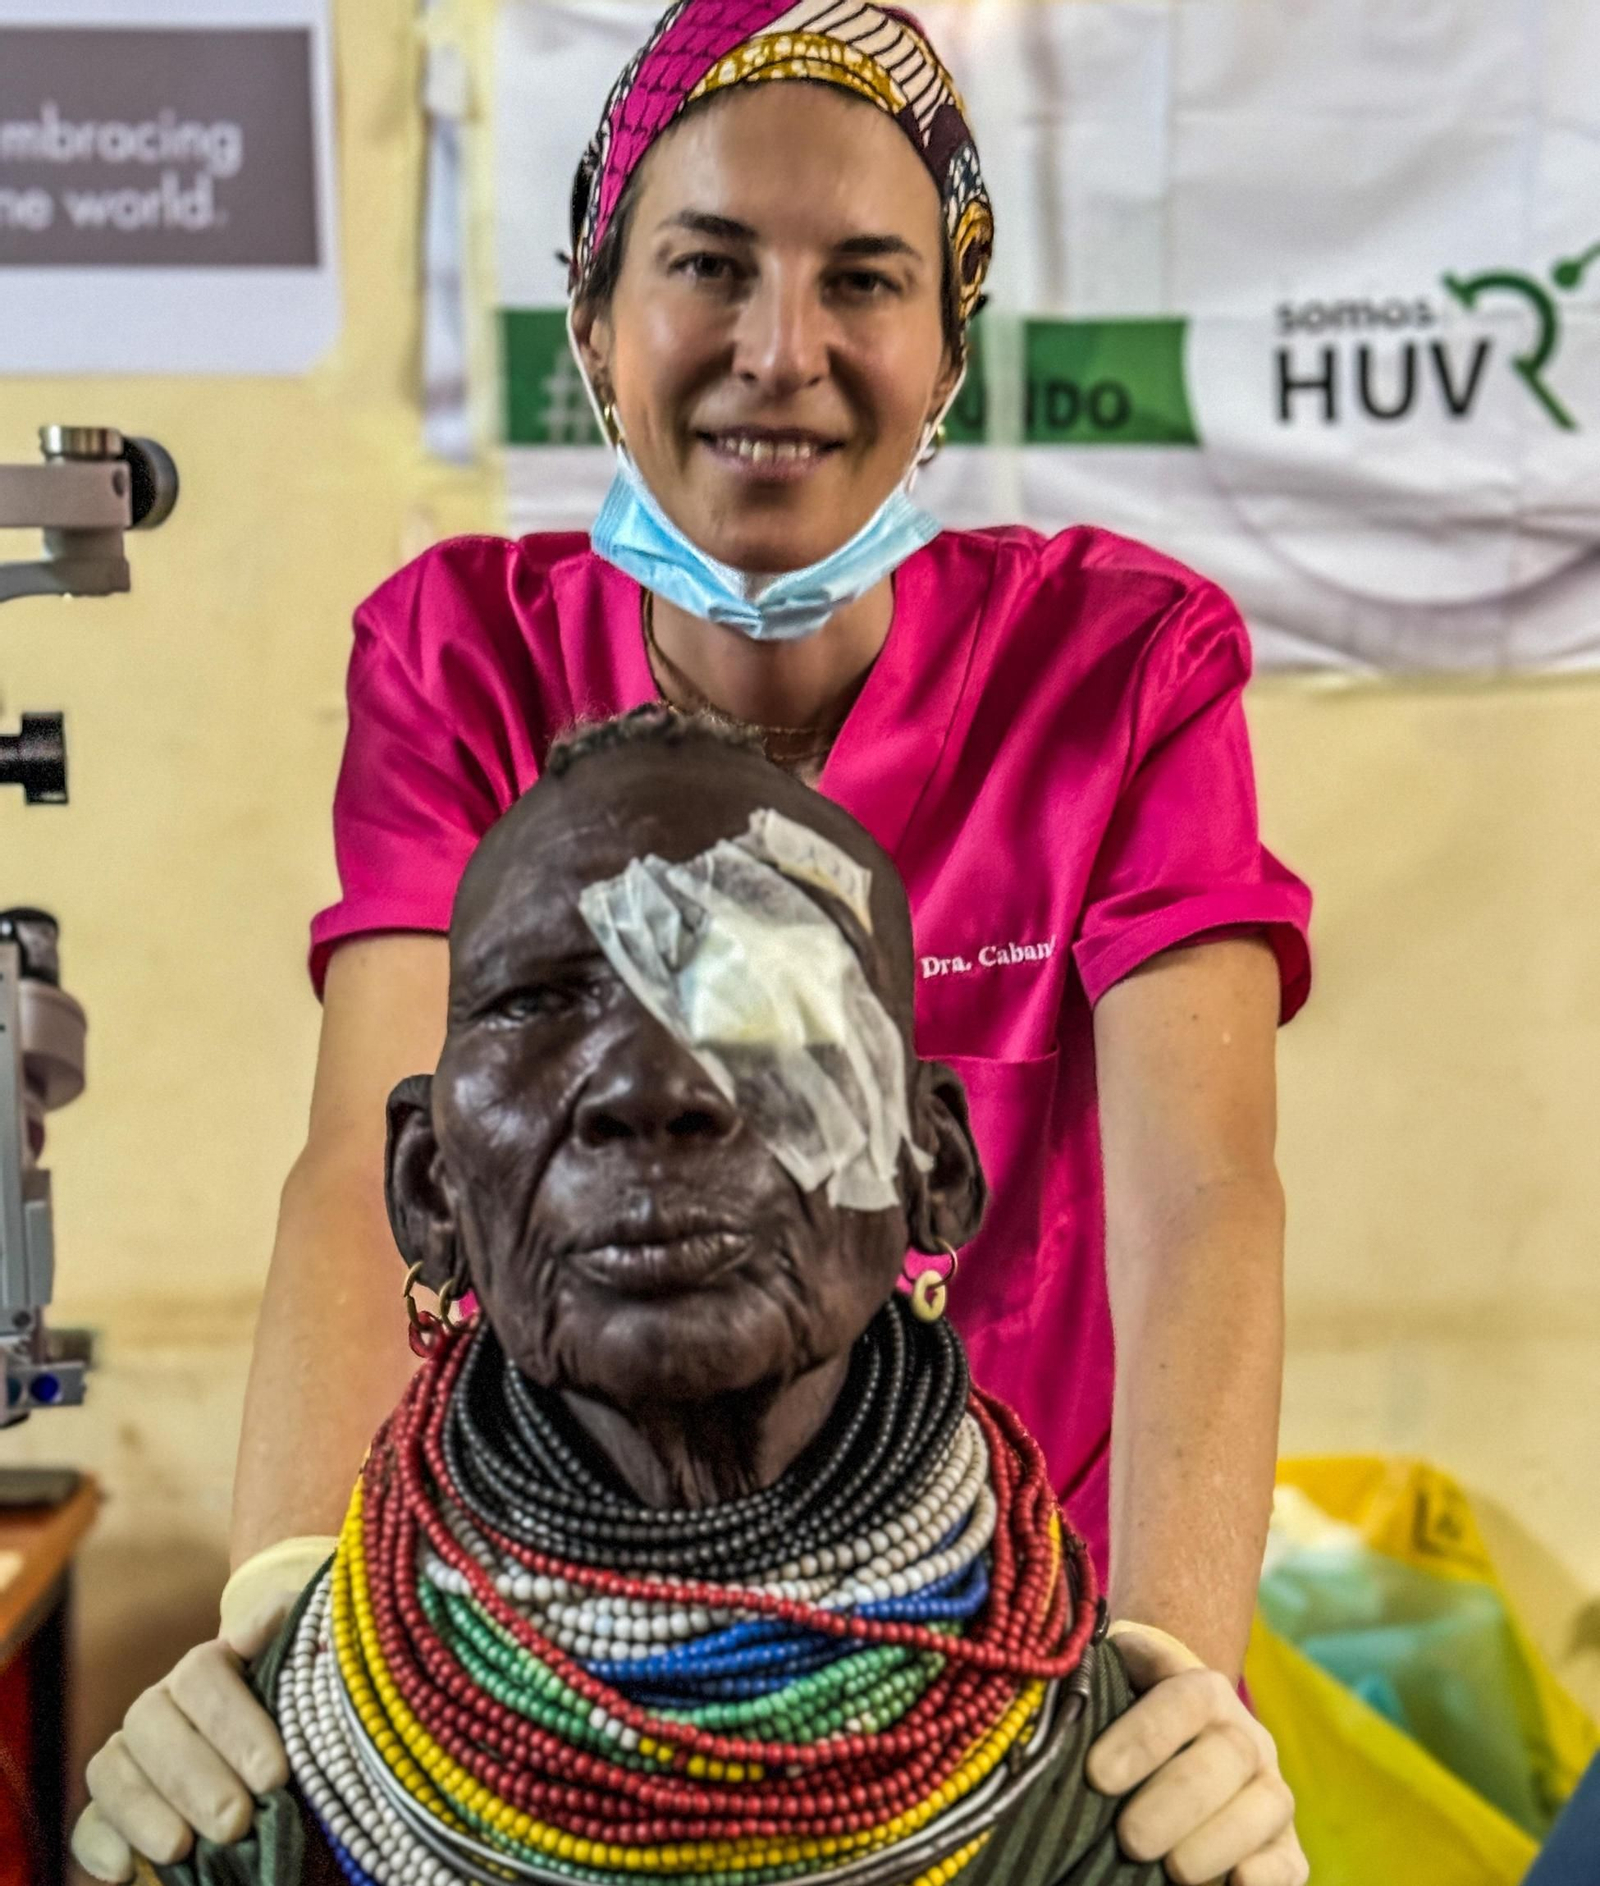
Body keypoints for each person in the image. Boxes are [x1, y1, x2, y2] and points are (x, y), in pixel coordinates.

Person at [75, 3, 1312, 1881]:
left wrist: (1163, 1687)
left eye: (864, 280)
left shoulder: (1118, 668)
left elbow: (1202, 1194)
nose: (781, 351)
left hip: (995, 1661)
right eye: (709, 266)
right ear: (593, 318)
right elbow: (369, 1151)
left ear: (950, 343)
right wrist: (283, 1626)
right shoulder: (462, 658)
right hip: (546, 1653)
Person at [141, 712, 1175, 1886]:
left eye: (764, 997)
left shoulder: (1117, 1802)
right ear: (431, 1183)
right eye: (541, 1001)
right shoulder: (256, 1785)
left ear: (929, 1163)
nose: (652, 1082)